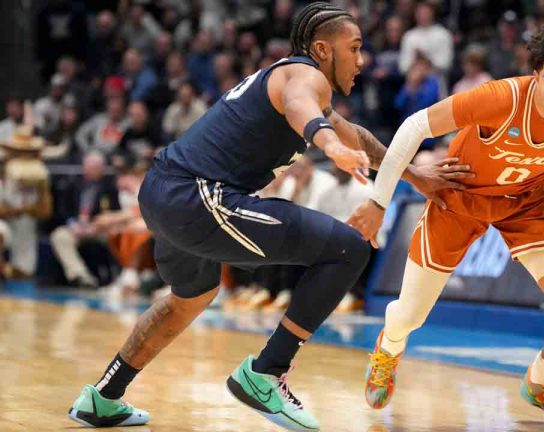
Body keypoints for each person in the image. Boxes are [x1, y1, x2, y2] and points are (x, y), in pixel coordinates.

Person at [67, 3, 470, 430]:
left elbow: (359, 137)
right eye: (354, 48)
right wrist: (329, 146)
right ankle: (266, 373)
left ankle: (103, 397)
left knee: (191, 297)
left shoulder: (297, 80)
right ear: (322, 49)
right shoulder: (304, 76)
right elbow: (305, 110)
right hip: (198, 195)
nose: (362, 59)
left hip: (167, 192)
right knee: (347, 249)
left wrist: (412, 175)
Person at [348, 22, 544, 427]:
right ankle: (388, 350)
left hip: (529, 204)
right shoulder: (501, 98)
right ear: (536, 77)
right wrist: (379, 199)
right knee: (410, 315)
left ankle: (541, 383)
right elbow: (414, 125)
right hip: (459, 197)